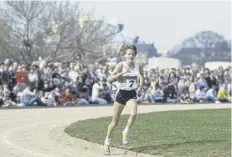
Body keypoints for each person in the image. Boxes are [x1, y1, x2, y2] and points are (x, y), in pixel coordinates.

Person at [102, 44, 144, 155]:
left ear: (135, 55)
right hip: (120, 94)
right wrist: (118, 75)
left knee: (134, 114)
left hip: (131, 94)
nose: (131, 55)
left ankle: (126, 131)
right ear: (124, 55)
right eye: (129, 54)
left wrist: (140, 87)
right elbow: (109, 79)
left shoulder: (137, 65)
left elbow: (142, 76)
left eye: (133, 54)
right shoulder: (121, 65)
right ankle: (107, 142)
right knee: (114, 122)